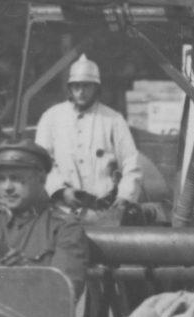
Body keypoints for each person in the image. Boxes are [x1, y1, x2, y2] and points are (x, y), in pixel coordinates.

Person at [0, 141, 91, 296]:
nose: (7, 187)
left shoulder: (64, 228)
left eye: (16, 179)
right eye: (1, 179)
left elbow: (64, 295)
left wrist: (29, 273)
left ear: (41, 179)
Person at [33, 54, 145, 209]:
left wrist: (125, 195)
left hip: (103, 208)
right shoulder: (51, 117)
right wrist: (60, 191)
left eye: (87, 86)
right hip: (61, 208)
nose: (81, 92)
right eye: (76, 86)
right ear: (70, 88)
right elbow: (41, 160)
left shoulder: (113, 119)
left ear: (96, 88)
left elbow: (131, 161)